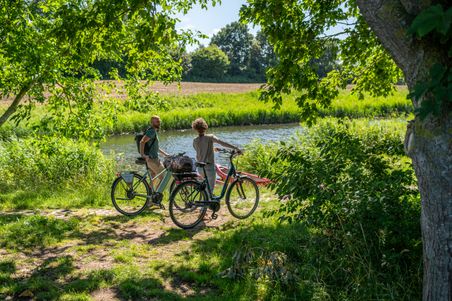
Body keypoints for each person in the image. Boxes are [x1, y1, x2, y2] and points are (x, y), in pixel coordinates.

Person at [192, 117, 242, 193]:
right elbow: (222, 142)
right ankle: (207, 203)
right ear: (205, 127)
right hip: (209, 167)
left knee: (205, 189)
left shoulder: (195, 140)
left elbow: (200, 151)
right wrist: (235, 147)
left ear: (195, 128)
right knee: (210, 190)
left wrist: (212, 148)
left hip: (200, 168)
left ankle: (205, 200)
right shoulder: (210, 137)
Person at [140, 115, 169, 186]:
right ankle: (158, 195)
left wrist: (166, 154)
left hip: (153, 158)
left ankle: (150, 194)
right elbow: (142, 142)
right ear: (152, 123)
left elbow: (156, 147)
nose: (159, 123)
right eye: (157, 122)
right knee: (163, 178)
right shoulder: (151, 131)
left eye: (159, 121)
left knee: (153, 176)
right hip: (152, 159)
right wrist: (142, 154)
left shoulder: (154, 132)